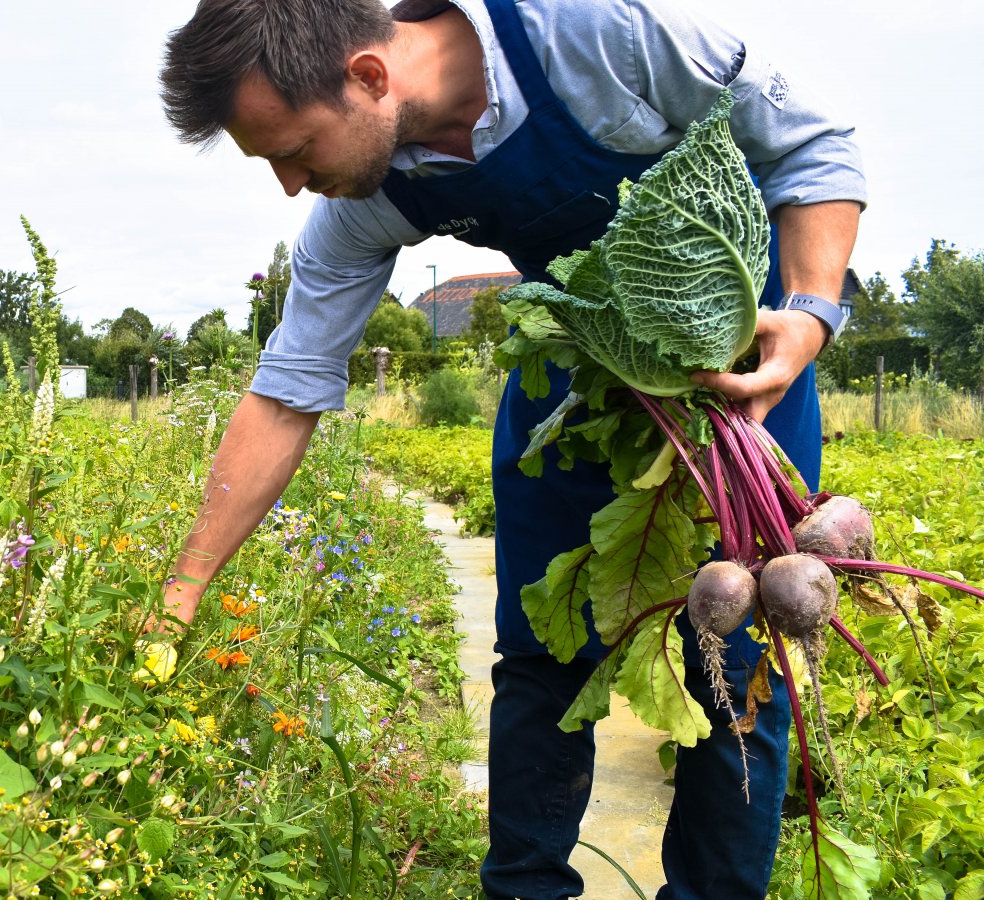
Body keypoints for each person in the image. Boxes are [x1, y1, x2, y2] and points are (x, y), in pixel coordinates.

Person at [154, 1, 863, 897]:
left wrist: (809, 314)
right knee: (539, 654)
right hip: (574, 377)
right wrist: (184, 591)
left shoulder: (596, 32)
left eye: (293, 150)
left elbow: (813, 144)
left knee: (735, 660)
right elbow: (289, 387)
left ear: (370, 77)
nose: (291, 186)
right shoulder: (366, 201)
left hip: (736, 371)